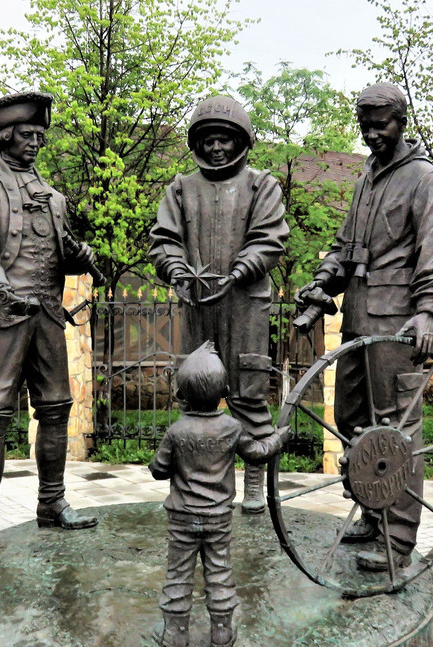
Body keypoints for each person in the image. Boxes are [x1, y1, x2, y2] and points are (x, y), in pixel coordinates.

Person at [295, 82, 433, 573]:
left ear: (402, 121)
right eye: (364, 124)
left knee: (395, 433)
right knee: (351, 423)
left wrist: (428, 309)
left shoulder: (425, 179)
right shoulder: (367, 177)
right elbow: (346, 246)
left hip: (399, 325)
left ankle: (398, 540)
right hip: (358, 320)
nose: (371, 133)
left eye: (380, 124)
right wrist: (323, 282)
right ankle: (371, 511)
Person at [0, 91, 101, 560]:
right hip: (4, 316)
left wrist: (81, 258)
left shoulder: (55, 199)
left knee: (57, 407)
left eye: (41, 135)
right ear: (4, 139)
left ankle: (52, 502)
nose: (36, 142)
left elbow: (58, 251)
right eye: (27, 135)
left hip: (46, 317)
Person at [149, 95, 289, 515]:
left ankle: (254, 486)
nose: (216, 148)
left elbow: (270, 238)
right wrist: (176, 270)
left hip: (244, 306)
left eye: (224, 140)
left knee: (249, 395)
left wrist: (237, 274)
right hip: (196, 306)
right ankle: (190, 483)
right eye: (208, 140)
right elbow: (164, 240)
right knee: (193, 396)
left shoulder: (261, 185)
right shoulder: (180, 188)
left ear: (240, 141)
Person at [149, 342, 289, 647]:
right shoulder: (232, 427)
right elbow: (257, 452)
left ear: (181, 395)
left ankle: (176, 637)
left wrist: (166, 465)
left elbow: (158, 471)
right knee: (219, 571)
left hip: (182, 519)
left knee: (178, 574)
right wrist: (277, 439)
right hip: (218, 519)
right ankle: (222, 635)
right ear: (224, 391)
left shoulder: (176, 431)